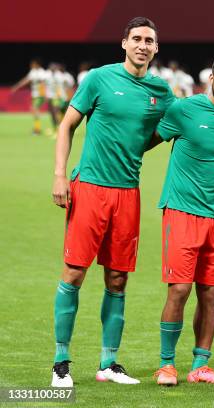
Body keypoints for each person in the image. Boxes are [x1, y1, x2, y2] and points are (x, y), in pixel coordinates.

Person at [50, 16, 175, 387]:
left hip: (128, 193)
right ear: (124, 43)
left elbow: (173, 125)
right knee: (74, 272)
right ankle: (61, 361)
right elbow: (66, 124)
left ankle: (109, 363)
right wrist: (60, 174)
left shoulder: (161, 91)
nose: (142, 45)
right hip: (89, 187)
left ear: (156, 48)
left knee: (118, 278)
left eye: (148, 40)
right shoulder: (99, 78)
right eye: (136, 38)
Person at [152, 53, 214, 386]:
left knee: (211, 294)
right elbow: (148, 141)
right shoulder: (183, 110)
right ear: (212, 78)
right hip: (181, 212)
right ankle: (166, 364)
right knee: (179, 289)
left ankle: (200, 365)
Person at [10, 59, 49, 135]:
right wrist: (17, 87)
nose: (31, 66)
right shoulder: (33, 72)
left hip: (40, 95)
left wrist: (44, 94)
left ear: (37, 64)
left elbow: (44, 84)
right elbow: (26, 80)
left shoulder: (42, 73)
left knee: (34, 109)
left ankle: (37, 130)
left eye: (33, 64)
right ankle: (37, 128)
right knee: (34, 110)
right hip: (35, 94)